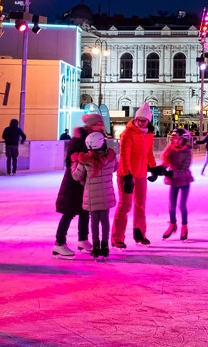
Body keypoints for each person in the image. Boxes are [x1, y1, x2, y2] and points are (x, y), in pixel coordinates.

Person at [53, 113, 102, 259]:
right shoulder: (78, 139)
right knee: (68, 212)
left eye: (101, 123)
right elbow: (70, 160)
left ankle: (83, 240)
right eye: (97, 123)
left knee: (84, 211)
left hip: (86, 181)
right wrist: (82, 161)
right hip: (73, 182)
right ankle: (59, 244)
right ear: (90, 125)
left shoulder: (98, 138)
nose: (100, 126)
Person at [111, 103, 156, 248]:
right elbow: (124, 156)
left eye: (144, 120)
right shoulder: (128, 133)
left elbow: (149, 153)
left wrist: (153, 168)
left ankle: (140, 234)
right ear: (135, 119)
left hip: (141, 174)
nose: (141, 123)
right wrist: (127, 175)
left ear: (148, 121)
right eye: (138, 120)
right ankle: (117, 238)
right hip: (127, 175)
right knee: (125, 205)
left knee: (140, 205)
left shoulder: (148, 135)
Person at [71, 131, 118, 261]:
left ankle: (96, 246)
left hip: (91, 195)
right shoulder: (111, 157)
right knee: (105, 221)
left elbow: (76, 176)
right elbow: (115, 168)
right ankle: (105, 246)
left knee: (94, 222)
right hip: (106, 194)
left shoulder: (85, 160)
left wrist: (74, 164)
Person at [162, 128, 194, 241]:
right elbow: (165, 162)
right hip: (174, 181)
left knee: (182, 206)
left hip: (184, 180)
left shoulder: (187, 152)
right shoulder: (171, 149)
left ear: (184, 140)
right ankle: (172, 224)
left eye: (179, 139)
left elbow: (184, 170)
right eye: (175, 138)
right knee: (172, 206)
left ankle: (184, 227)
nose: (176, 141)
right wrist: (157, 171)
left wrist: (171, 173)